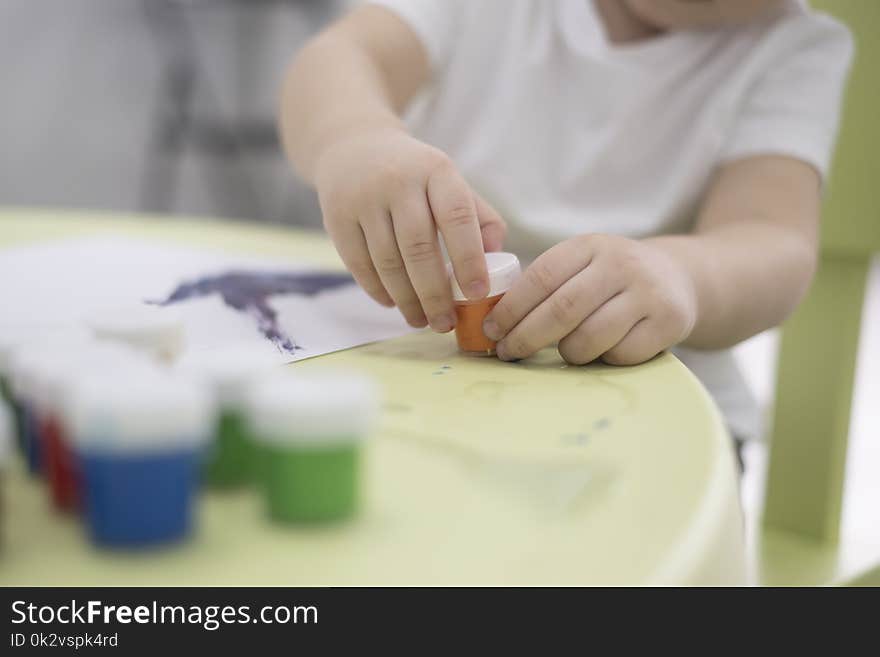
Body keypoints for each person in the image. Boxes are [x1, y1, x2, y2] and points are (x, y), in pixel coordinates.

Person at [278, 0, 854, 453]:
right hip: (425, 390)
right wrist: (351, 140)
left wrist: (682, 274)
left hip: (659, 432)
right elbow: (340, 58)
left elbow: (773, 240)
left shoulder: (794, 49)